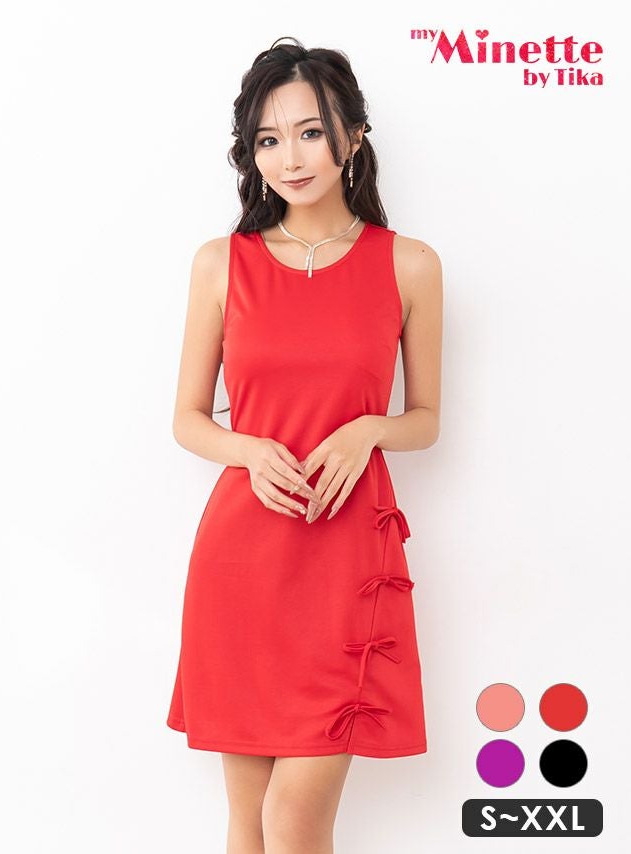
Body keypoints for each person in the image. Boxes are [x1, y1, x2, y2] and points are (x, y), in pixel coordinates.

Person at [166, 36, 443, 854]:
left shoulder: (410, 265)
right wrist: (249, 452)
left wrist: (370, 428)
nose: (290, 157)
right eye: (268, 138)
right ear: (250, 153)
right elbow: (187, 418)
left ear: (353, 135)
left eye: (311, 132)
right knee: (248, 822)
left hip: (346, 560)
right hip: (242, 561)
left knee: (294, 818)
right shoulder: (222, 264)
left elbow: (427, 418)